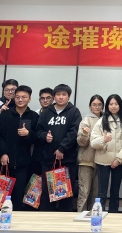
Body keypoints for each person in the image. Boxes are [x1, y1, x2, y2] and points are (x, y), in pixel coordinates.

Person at [0, 85, 39, 211]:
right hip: (4, 162)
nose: (20, 100)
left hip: (24, 164)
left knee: (18, 197)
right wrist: (3, 153)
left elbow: (38, 138)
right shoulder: (5, 115)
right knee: (0, 197)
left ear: (29, 99)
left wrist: (28, 134)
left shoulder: (34, 116)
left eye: (24, 97)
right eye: (17, 97)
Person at [36, 84, 81, 212]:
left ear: (68, 96)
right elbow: (38, 130)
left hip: (67, 160)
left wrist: (62, 148)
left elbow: (74, 132)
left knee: (65, 195)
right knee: (47, 194)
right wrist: (44, 136)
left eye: (64, 95)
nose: (61, 97)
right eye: (58, 95)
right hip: (48, 159)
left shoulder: (74, 112)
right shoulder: (46, 112)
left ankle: (64, 221)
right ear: (54, 97)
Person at [91, 94, 122, 213]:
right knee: (101, 193)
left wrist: (119, 159)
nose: (113, 106)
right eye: (111, 104)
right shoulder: (101, 121)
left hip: (118, 162)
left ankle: (114, 216)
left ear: (120, 105)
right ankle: (99, 215)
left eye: (116, 104)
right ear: (107, 106)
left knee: (115, 192)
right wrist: (103, 140)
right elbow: (93, 142)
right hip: (103, 161)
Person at [76, 94, 104, 212]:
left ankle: (94, 216)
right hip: (86, 161)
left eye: (99, 105)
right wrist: (84, 134)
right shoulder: (86, 120)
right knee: (84, 192)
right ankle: (80, 216)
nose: (97, 107)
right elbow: (81, 143)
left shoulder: (105, 119)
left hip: (101, 161)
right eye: (94, 105)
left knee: (96, 194)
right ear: (90, 106)